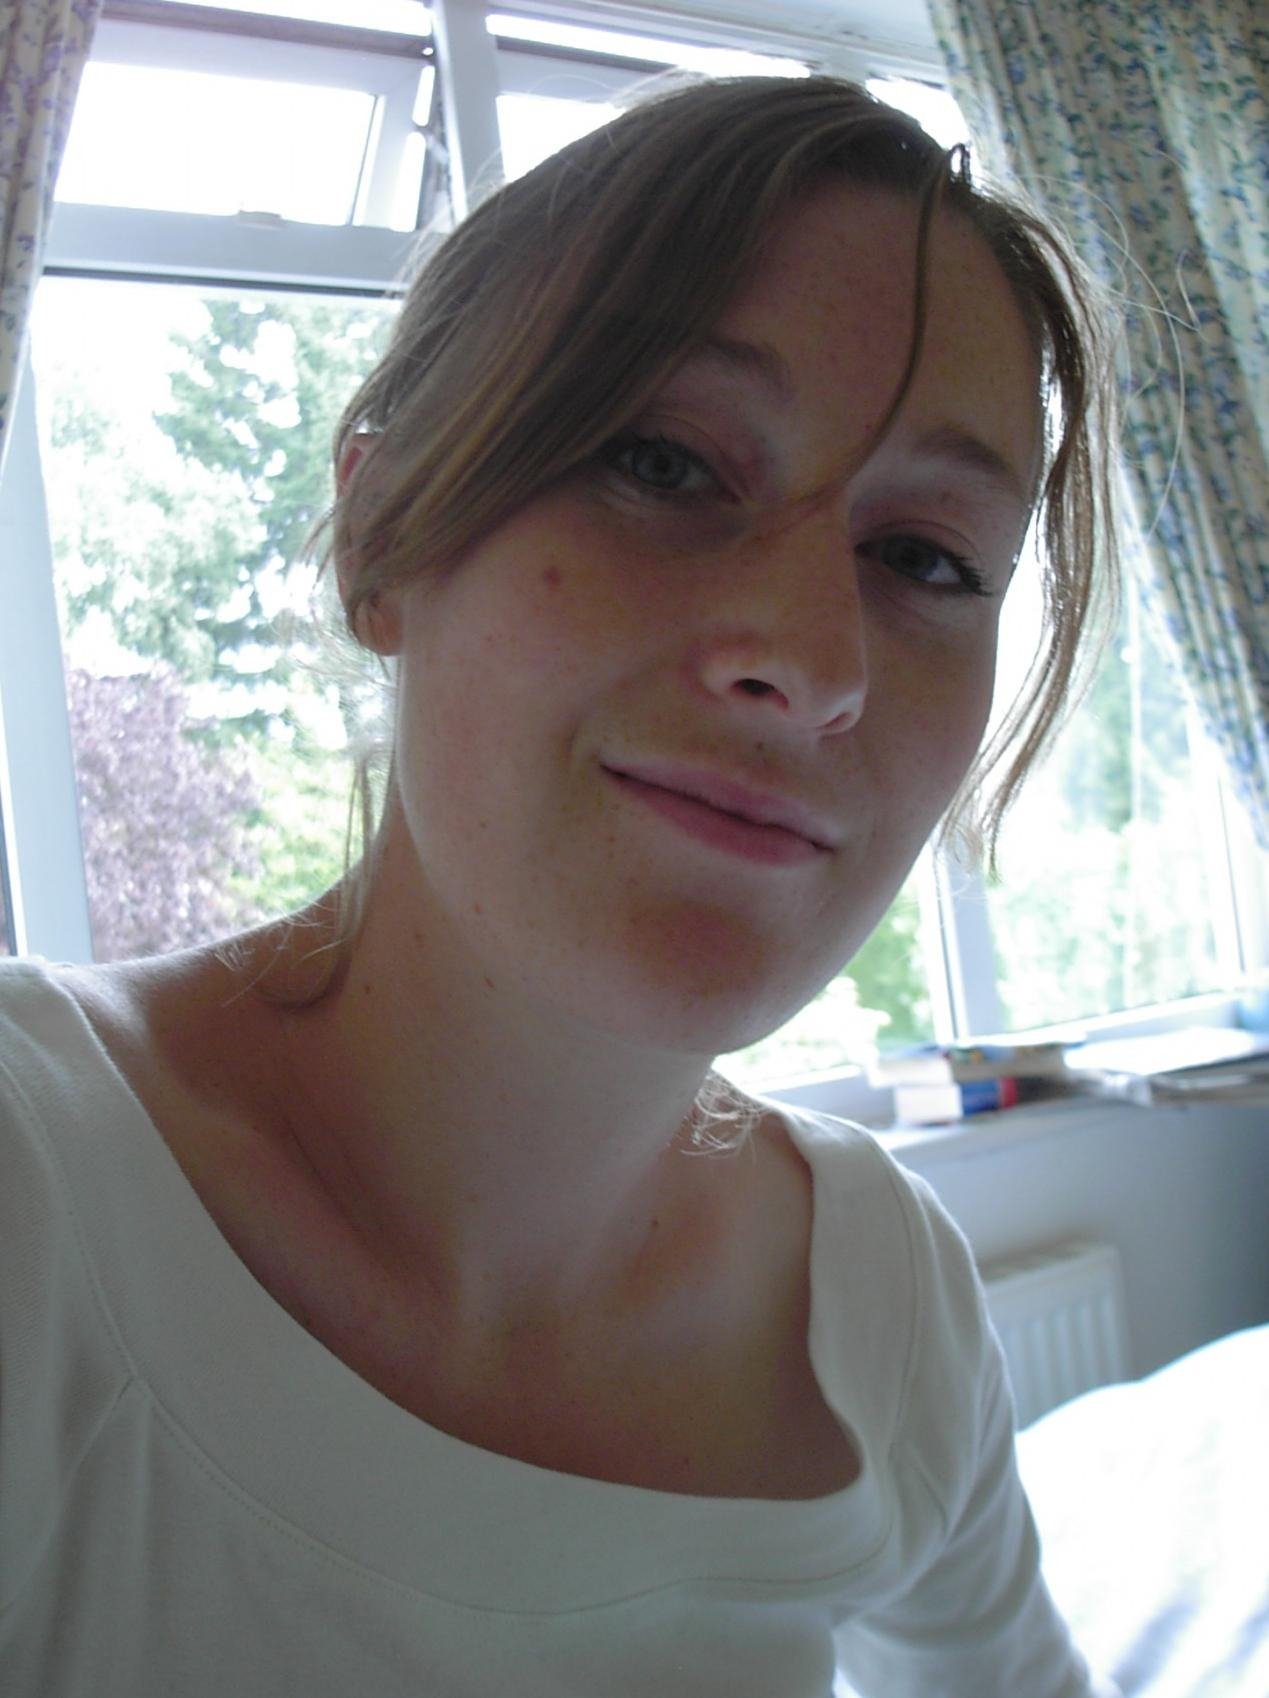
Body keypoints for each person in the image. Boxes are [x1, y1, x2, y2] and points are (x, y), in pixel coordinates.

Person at [0, 76, 1121, 1697]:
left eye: (926, 557)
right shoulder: (36, 1199)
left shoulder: (882, 1297)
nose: (816, 664)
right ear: (381, 531)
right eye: (664, 462)